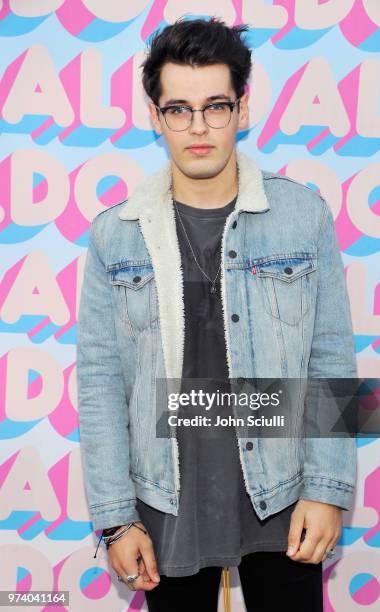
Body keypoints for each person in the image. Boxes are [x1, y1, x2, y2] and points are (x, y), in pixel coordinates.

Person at [76, 16, 358, 612]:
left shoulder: (303, 216)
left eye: (216, 107)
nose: (198, 128)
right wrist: (114, 519)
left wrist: (328, 488)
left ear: (243, 108)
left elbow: (330, 355)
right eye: (178, 109)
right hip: (165, 503)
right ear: (155, 116)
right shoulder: (114, 236)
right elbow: (101, 383)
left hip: (284, 495)